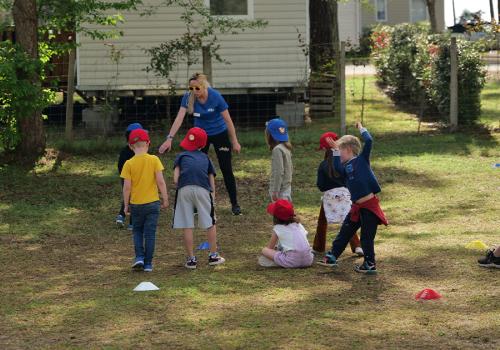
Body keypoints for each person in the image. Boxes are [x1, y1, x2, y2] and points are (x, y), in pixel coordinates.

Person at [159, 72, 242, 216]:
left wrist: (234, 141)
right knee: (198, 168)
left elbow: (228, 120)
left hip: (219, 134)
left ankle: (235, 204)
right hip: (199, 136)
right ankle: (199, 204)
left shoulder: (215, 96)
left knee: (226, 168)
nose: (194, 92)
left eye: (197, 88)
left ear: (204, 86)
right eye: (191, 89)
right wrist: (169, 138)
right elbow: (179, 118)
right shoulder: (188, 97)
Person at [318, 122, 388, 274]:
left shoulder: (362, 160)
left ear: (349, 150)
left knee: (366, 238)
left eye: (340, 150)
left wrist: (362, 129)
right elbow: (337, 168)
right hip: (356, 208)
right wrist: (336, 151)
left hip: (369, 208)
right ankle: (332, 256)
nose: (338, 153)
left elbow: (369, 141)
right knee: (345, 232)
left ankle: (369, 264)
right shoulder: (344, 168)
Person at [172, 127, 226, 269]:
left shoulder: (181, 156)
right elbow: (211, 177)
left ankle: (191, 260)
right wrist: (212, 195)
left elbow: (176, 178)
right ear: (202, 145)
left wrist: (181, 183)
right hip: (203, 189)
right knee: (210, 222)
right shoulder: (206, 157)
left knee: (187, 224)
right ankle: (213, 256)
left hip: (184, 189)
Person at [121, 129, 169, 272]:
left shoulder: (128, 164)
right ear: (148, 143)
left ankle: (139, 257)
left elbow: (126, 188)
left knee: (137, 231)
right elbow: (160, 182)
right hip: (153, 203)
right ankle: (148, 264)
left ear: (130, 146)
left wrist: (125, 205)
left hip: (136, 205)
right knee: (150, 233)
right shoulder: (154, 160)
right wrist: (165, 198)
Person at [313, 131, 363, 257]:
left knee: (322, 222)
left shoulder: (323, 165)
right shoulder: (346, 163)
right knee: (348, 220)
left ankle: (318, 247)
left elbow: (320, 185)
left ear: (325, 148)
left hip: (329, 197)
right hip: (346, 196)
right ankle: (357, 246)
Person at [259, 199, 313, 268]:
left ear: (276, 217)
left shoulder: (278, 228)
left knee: (265, 250)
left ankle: (281, 260)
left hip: (292, 261)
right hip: (308, 260)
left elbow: (270, 247)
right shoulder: (299, 225)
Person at [116, 122, 143, 229]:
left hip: (125, 178)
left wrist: (123, 176)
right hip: (136, 178)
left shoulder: (124, 151)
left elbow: (120, 166)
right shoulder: (140, 152)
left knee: (128, 197)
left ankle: (121, 216)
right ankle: (132, 223)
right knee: (135, 199)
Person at [266, 118, 293, 202]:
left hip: (280, 191)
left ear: (270, 134)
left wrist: (275, 190)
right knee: (285, 213)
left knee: (280, 214)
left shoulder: (277, 149)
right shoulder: (286, 148)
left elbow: (279, 171)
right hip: (286, 188)